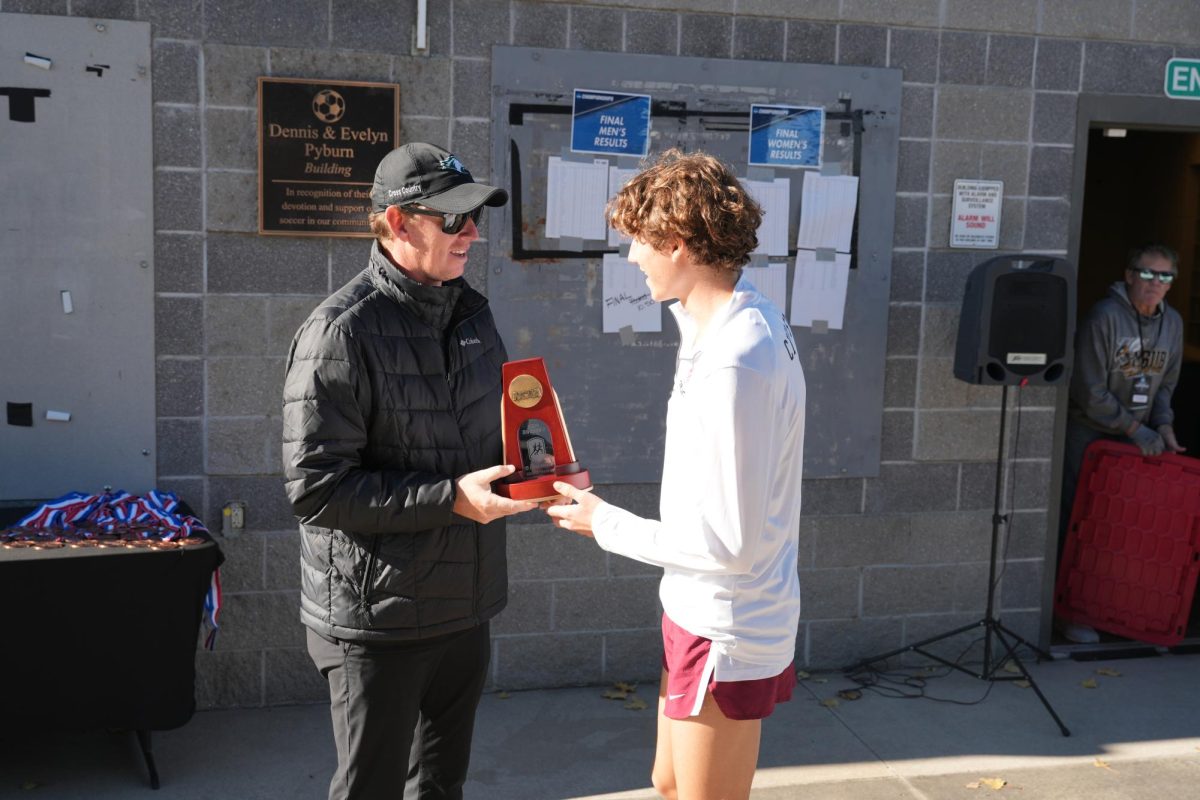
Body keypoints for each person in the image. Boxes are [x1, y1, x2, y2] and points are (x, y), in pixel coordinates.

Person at [547, 150, 806, 800]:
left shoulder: (734, 361)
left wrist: (600, 520)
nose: (631, 259)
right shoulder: (721, 322)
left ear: (680, 245)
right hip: (692, 609)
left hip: (727, 623)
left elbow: (730, 544)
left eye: (639, 244)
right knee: (667, 782)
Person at [282, 142, 536, 800]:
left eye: (474, 217)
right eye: (454, 219)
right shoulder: (341, 332)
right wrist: (452, 498)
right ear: (398, 223)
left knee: (440, 788)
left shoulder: (471, 314)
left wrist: (539, 470)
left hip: (465, 605)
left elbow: (485, 443)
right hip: (379, 622)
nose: (472, 233)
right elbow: (317, 490)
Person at [1056, 243, 1185, 644]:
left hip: (1139, 436)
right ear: (1129, 275)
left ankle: (1114, 611)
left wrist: (1162, 425)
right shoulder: (1104, 317)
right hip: (1092, 431)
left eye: (1165, 276)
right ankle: (1068, 612)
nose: (1155, 283)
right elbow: (1088, 391)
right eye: (1147, 273)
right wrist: (1135, 429)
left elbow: (1165, 383)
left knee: (1122, 526)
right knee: (1082, 519)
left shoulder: (1173, 323)